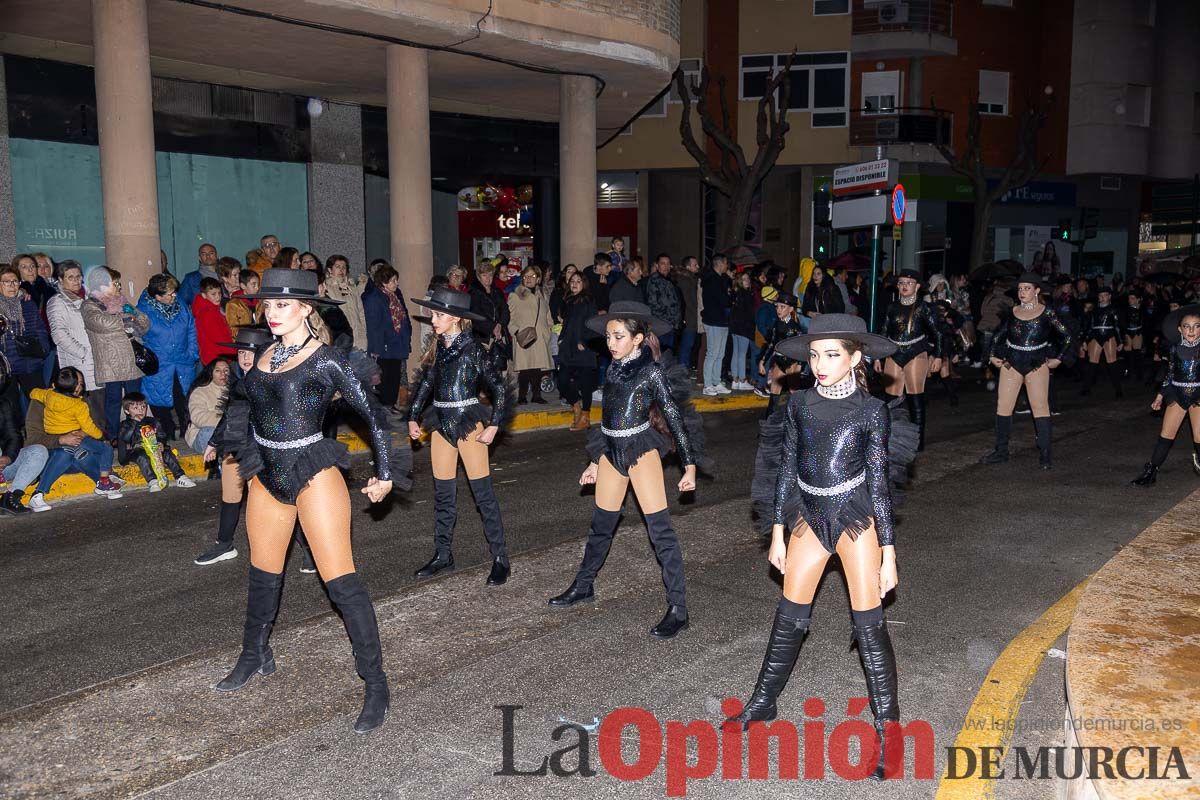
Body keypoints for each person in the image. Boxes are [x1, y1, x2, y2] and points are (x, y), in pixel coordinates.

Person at [214, 268, 398, 734]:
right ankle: (255, 654)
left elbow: (375, 418)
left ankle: (375, 683)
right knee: (262, 575)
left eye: (284, 305)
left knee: (341, 584)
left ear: (306, 309)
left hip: (314, 473)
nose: (273, 314)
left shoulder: (327, 361)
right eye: (268, 305)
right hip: (267, 474)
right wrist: (227, 441)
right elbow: (247, 407)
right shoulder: (264, 357)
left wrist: (386, 473)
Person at [741, 314, 918, 781]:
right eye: (815, 355)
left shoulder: (871, 411)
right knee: (788, 616)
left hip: (855, 517)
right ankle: (763, 702)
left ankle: (890, 732)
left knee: (870, 623)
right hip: (807, 514)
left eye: (832, 354)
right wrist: (777, 529)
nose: (820, 364)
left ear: (856, 358)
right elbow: (785, 468)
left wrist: (889, 550)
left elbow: (880, 484)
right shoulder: (798, 404)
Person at [549, 301, 706, 639]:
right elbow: (608, 422)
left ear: (637, 339)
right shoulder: (613, 369)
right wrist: (595, 460)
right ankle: (583, 585)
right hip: (611, 452)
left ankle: (678, 609)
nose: (611, 343)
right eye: (608, 337)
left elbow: (674, 417)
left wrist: (689, 465)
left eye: (618, 336)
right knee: (600, 526)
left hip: (641, 450)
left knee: (659, 532)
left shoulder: (651, 372)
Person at [406, 287, 511, 584]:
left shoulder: (475, 350)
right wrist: (413, 415)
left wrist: (494, 424)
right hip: (440, 423)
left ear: (455, 318)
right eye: (433, 314)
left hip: (468, 424)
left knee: (483, 495)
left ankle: (501, 558)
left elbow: (499, 388)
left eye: (438, 315)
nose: (433, 319)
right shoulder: (439, 347)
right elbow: (426, 384)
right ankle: (443, 555)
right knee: (443, 495)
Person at [194, 327, 274, 566]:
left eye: (251, 352)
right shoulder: (240, 384)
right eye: (241, 353)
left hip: (261, 452)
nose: (245, 358)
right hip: (236, 449)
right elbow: (230, 416)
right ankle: (224, 544)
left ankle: (308, 551)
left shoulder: (273, 382)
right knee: (230, 498)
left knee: (274, 502)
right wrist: (213, 442)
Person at [980, 273, 1073, 470]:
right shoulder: (1011, 312)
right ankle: (1001, 451)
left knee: (1040, 407)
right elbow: (998, 335)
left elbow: (1066, 337)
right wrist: (992, 355)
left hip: (1037, 363)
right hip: (1011, 362)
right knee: (1003, 406)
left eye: (1027, 288)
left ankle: (1045, 454)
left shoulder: (1047, 313)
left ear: (1037, 290)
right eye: (1020, 288)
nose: (1022, 292)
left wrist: (1059, 358)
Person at [29, 367, 125, 499]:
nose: (79, 387)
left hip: (77, 447)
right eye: (77, 384)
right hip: (54, 454)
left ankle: (104, 483)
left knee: (81, 454)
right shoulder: (41, 405)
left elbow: (95, 425)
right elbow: (33, 440)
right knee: (72, 452)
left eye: (81, 384)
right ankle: (104, 480)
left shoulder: (48, 396)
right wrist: (60, 440)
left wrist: (83, 433)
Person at [1130, 305, 1200, 486]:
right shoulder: (1174, 349)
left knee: (1199, 437)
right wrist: (1159, 396)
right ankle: (1150, 472)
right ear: (1180, 329)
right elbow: (1169, 374)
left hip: (1198, 397)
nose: (1191, 330)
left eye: (1196, 326)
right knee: (1166, 434)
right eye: (1187, 326)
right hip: (1176, 393)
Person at [877, 270, 944, 451]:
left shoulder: (924, 308)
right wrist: (878, 356)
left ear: (917, 286)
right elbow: (884, 331)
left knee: (915, 397)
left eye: (909, 282)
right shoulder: (892, 307)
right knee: (891, 400)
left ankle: (918, 442)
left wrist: (938, 356)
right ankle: (891, 439)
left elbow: (938, 333)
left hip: (916, 352)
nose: (904, 286)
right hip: (893, 351)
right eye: (901, 282)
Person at [81, 267, 150, 440]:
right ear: (101, 285)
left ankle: (136, 433)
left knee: (135, 399)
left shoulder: (123, 302)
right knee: (113, 401)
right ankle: (113, 435)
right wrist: (127, 318)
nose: (119, 286)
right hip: (110, 361)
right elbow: (101, 322)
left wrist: (131, 315)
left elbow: (145, 322)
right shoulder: (90, 304)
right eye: (115, 283)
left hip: (131, 359)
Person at [138, 273, 199, 441]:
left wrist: (192, 353)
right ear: (157, 296)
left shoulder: (181, 305)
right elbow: (138, 337)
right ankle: (167, 434)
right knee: (159, 403)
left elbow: (191, 329)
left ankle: (188, 434)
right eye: (169, 294)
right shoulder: (143, 310)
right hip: (159, 365)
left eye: (174, 292)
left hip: (183, 362)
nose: (174, 296)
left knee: (184, 401)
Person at [45, 261, 101, 423]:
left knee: (100, 401)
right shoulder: (57, 302)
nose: (76, 280)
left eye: (78, 276)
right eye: (70, 277)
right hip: (79, 360)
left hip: (98, 358)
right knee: (86, 404)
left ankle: (104, 437)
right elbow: (58, 334)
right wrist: (83, 352)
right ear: (61, 280)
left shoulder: (90, 298)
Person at [117, 392, 195, 490]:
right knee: (143, 457)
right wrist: (134, 422)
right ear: (127, 411)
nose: (140, 410)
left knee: (167, 453)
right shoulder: (126, 424)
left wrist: (161, 443)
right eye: (135, 408)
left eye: (143, 407)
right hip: (137, 450)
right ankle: (152, 481)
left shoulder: (152, 421)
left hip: (153, 448)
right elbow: (125, 438)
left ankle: (180, 476)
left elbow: (161, 434)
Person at [0, 264, 51, 410]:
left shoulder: (27, 303)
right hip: (5, 366)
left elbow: (40, 329)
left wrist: (43, 348)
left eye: (15, 281)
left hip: (29, 362)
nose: (12, 285)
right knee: (10, 408)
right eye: (6, 282)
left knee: (40, 406)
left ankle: (37, 433)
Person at [362, 264, 412, 410]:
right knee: (383, 379)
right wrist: (377, 347)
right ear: (383, 282)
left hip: (397, 344)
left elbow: (403, 319)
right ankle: (382, 408)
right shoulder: (374, 298)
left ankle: (390, 405)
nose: (396, 283)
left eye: (396, 280)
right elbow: (374, 325)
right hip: (383, 346)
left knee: (394, 377)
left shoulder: (395, 296)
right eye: (393, 280)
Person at [557, 272, 598, 432]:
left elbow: (593, 325)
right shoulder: (569, 301)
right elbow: (567, 324)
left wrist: (584, 341)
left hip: (584, 349)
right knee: (562, 382)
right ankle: (576, 407)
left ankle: (585, 418)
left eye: (578, 281)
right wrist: (561, 339)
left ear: (584, 284)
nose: (574, 284)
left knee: (586, 385)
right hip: (568, 348)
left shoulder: (589, 301)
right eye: (572, 281)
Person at [507, 265, 553, 404]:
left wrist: (547, 332)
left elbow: (548, 316)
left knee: (537, 368)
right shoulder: (515, 296)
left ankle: (536, 395)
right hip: (524, 337)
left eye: (532, 276)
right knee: (525, 368)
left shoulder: (542, 296)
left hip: (539, 337)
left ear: (538, 279)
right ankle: (522, 396)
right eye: (526, 276)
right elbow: (510, 318)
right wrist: (516, 332)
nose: (529, 279)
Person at [758, 293, 807, 415]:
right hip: (779, 361)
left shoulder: (796, 328)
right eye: (777, 306)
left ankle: (796, 420)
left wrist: (800, 365)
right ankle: (769, 422)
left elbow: (803, 348)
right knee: (774, 393)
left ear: (791, 309)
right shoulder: (776, 324)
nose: (778, 310)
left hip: (792, 363)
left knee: (794, 393)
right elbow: (771, 344)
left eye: (782, 307)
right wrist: (762, 361)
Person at [1080, 287, 1123, 398]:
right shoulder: (1093, 310)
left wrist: (1121, 341)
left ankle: (1118, 389)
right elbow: (1089, 327)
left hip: (1109, 334)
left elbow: (1118, 326)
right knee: (1092, 363)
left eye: (1105, 295)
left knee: (1112, 363)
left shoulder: (1114, 309)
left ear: (1109, 296)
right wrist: (1085, 340)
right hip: (1095, 334)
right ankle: (1086, 388)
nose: (1102, 298)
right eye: (1100, 295)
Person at [700, 255, 733, 395]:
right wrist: (731, 297)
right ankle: (707, 385)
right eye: (726, 263)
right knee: (712, 353)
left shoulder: (721, 279)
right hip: (714, 320)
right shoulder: (712, 280)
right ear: (719, 264)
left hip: (722, 321)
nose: (727, 266)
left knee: (720, 354)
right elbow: (724, 300)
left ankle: (716, 381)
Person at [186, 356, 232, 455]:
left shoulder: (236, 389)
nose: (223, 374)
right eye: (218, 371)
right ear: (211, 373)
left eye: (226, 370)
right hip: (202, 435)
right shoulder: (200, 391)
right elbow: (197, 417)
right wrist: (224, 419)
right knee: (209, 432)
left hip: (229, 432)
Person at [324, 255, 369, 350]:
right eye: (338, 267)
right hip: (340, 337)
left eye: (344, 267)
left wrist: (363, 332)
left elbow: (361, 312)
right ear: (330, 269)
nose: (341, 270)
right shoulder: (326, 287)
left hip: (358, 335)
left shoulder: (352, 287)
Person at [193, 277, 237, 366]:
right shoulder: (208, 313)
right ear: (204, 295)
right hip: (218, 358)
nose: (218, 297)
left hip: (215, 357)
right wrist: (234, 353)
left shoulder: (206, 309)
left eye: (219, 293)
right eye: (213, 294)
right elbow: (219, 337)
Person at [729, 270, 759, 391]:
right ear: (740, 281)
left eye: (748, 279)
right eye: (744, 279)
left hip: (735, 327)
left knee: (736, 353)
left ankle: (735, 380)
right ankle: (741, 380)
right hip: (743, 327)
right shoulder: (746, 294)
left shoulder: (736, 293)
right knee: (741, 354)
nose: (747, 281)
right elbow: (749, 314)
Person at [646, 254, 682, 351]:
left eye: (668, 263)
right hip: (661, 325)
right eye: (663, 263)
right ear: (657, 265)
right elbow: (653, 304)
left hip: (671, 325)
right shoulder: (654, 280)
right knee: (659, 354)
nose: (666, 266)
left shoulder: (670, 280)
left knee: (667, 355)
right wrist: (668, 318)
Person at [676, 257, 701, 370]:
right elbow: (689, 301)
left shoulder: (690, 279)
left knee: (688, 345)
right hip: (689, 317)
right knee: (687, 345)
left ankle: (684, 369)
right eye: (695, 265)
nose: (698, 267)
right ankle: (682, 370)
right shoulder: (686, 280)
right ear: (688, 266)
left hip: (691, 316)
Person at [177, 243, 220, 309]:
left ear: (217, 256)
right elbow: (180, 303)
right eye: (204, 254)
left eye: (211, 253)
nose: (208, 256)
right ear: (199, 258)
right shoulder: (191, 279)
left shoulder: (226, 276)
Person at [225, 269, 260, 333]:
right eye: (253, 285)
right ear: (243, 286)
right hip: (243, 339)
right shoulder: (233, 305)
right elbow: (233, 329)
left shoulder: (261, 302)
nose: (257, 288)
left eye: (258, 284)